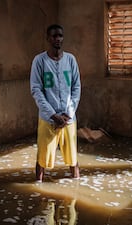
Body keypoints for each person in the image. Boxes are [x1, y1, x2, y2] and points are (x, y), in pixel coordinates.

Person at [30, 24, 81, 182]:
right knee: (42, 158)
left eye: (60, 36)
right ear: (48, 38)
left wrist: (68, 114)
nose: (57, 39)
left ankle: (76, 186)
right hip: (48, 119)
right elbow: (36, 90)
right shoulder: (39, 61)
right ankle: (38, 186)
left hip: (68, 119)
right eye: (54, 36)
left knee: (73, 159)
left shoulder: (70, 60)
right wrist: (52, 114)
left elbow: (76, 87)